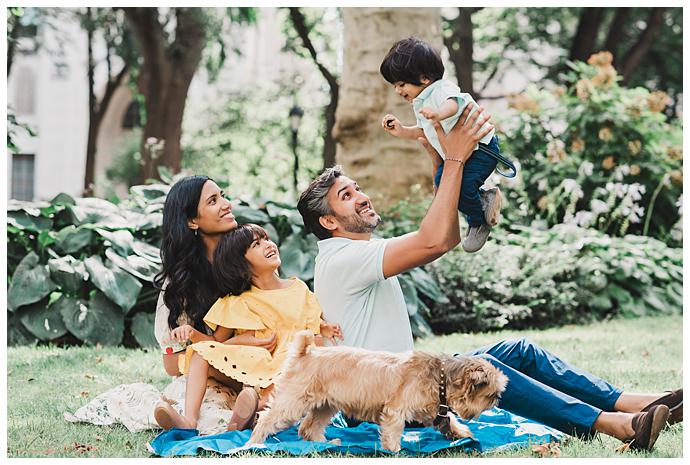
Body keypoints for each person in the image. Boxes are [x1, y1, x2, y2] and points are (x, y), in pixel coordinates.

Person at [296, 104, 681, 450]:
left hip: (410, 379)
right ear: (328, 222)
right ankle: (616, 426)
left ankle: (637, 402)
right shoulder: (343, 259)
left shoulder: (353, 252)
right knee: (480, 371)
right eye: (346, 196)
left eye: (357, 188)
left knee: (518, 352)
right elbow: (432, 241)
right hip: (379, 401)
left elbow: (445, 238)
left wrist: (446, 160)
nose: (362, 196)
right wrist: (455, 158)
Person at [154, 224, 343, 432]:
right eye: (257, 244)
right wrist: (193, 334)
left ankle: (254, 415)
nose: (269, 245)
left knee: (276, 386)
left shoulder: (298, 288)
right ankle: (189, 420)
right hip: (251, 365)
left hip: (285, 365)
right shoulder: (239, 300)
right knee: (200, 354)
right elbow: (218, 344)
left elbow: (312, 333)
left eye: (267, 239)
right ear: (241, 264)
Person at [153, 176, 279, 430]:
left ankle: (255, 407)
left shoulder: (251, 256)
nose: (226, 204)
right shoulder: (180, 284)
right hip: (216, 374)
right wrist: (218, 355)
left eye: (222, 195)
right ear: (192, 221)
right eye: (213, 201)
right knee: (203, 408)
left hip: (268, 366)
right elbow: (171, 365)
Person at [380, 36, 512, 253]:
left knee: (459, 190)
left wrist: (438, 113)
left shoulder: (440, 89)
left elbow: (454, 103)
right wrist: (402, 130)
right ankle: (483, 199)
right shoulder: (421, 102)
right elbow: (425, 131)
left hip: (482, 150)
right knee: (445, 187)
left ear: (424, 78)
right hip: (463, 154)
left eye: (401, 84)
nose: (398, 90)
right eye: (395, 85)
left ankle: (479, 221)